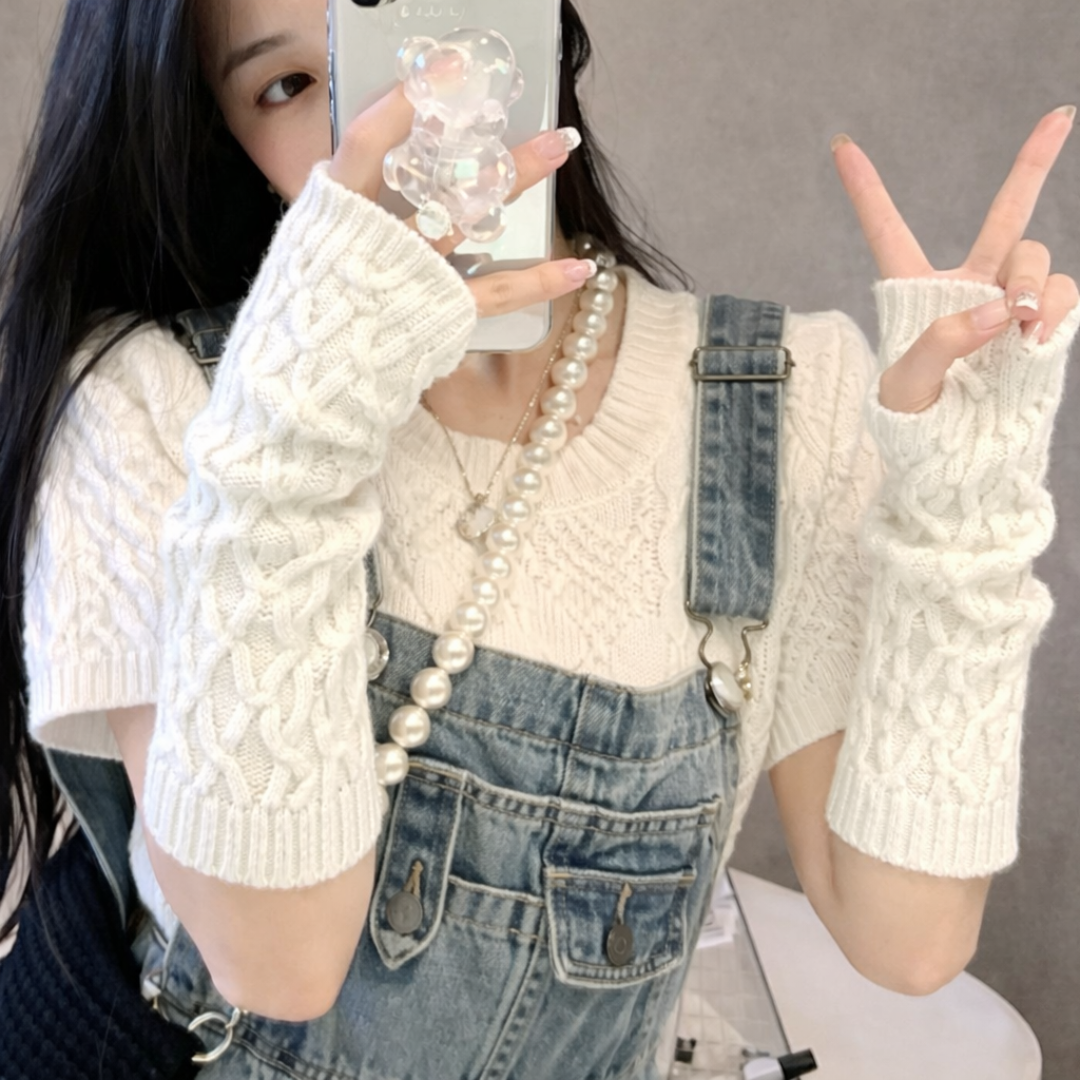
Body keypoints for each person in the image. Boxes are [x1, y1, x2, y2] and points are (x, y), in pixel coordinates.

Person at [0, 0, 1077, 1076]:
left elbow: (909, 939)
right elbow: (277, 966)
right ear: (228, 137)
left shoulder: (785, 400)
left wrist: (960, 513)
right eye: (287, 87)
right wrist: (295, 425)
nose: (389, 122)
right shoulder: (160, 404)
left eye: (431, 38)